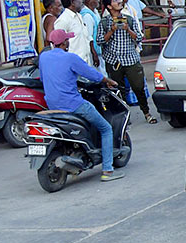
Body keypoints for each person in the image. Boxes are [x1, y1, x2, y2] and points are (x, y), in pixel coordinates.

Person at [39, 29, 125, 181]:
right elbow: (92, 74)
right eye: (67, 39)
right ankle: (107, 170)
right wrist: (108, 81)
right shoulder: (70, 58)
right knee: (106, 128)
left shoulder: (44, 57)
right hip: (72, 104)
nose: (68, 41)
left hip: (52, 105)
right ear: (65, 42)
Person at [97, 0, 156, 125]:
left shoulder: (129, 19)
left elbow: (140, 38)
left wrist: (128, 29)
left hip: (131, 59)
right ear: (109, 6)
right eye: (115, 0)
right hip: (114, 61)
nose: (119, 1)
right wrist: (111, 30)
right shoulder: (104, 22)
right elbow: (100, 40)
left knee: (138, 87)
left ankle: (146, 112)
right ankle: (124, 115)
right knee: (118, 90)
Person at [52, 0, 96, 67]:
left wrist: (93, 53)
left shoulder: (79, 16)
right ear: (72, 2)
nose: (81, 1)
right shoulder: (63, 20)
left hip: (86, 61)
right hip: (73, 64)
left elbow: (86, 37)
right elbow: (57, 44)